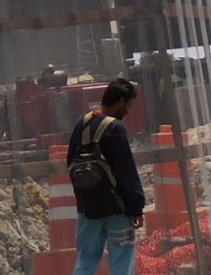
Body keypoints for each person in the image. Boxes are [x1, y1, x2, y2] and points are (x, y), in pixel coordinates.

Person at [66, 78, 146, 275]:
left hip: (87, 209)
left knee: (86, 260)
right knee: (121, 261)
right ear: (119, 101)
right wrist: (136, 206)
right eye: (128, 105)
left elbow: (70, 162)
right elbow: (126, 171)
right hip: (117, 210)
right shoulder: (115, 129)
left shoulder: (81, 123)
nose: (127, 111)